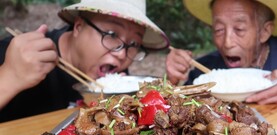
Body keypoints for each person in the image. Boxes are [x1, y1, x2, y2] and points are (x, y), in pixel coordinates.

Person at [0, 0, 169, 122]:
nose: (122, 54)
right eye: (111, 35)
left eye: (134, 44)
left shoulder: (114, 75)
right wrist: (9, 78)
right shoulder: (16, 56)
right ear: (78, 26)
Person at [166, 0, 277, 111]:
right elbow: (177, 109)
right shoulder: (203, 71)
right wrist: (172, 81)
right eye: (219, 29)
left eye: (239, 29)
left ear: (265, 32)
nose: (227, 42)